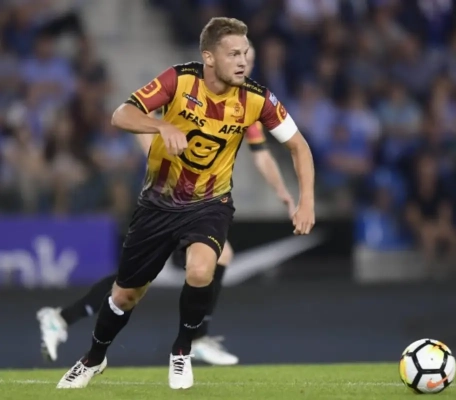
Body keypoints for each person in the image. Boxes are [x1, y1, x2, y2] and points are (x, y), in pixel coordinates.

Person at [56, 17, 315, 390]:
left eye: (245, 53)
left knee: (200, 270)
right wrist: (161, 125)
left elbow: (298, 146)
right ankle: (94, 358)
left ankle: (182, 351)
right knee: (125, 295)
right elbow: (121, 114)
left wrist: (306, 201)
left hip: (210, 203)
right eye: (233, 54)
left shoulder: (257, 98)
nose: (242, 61)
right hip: (158, 205)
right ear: (209, 57)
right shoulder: (179, 80)